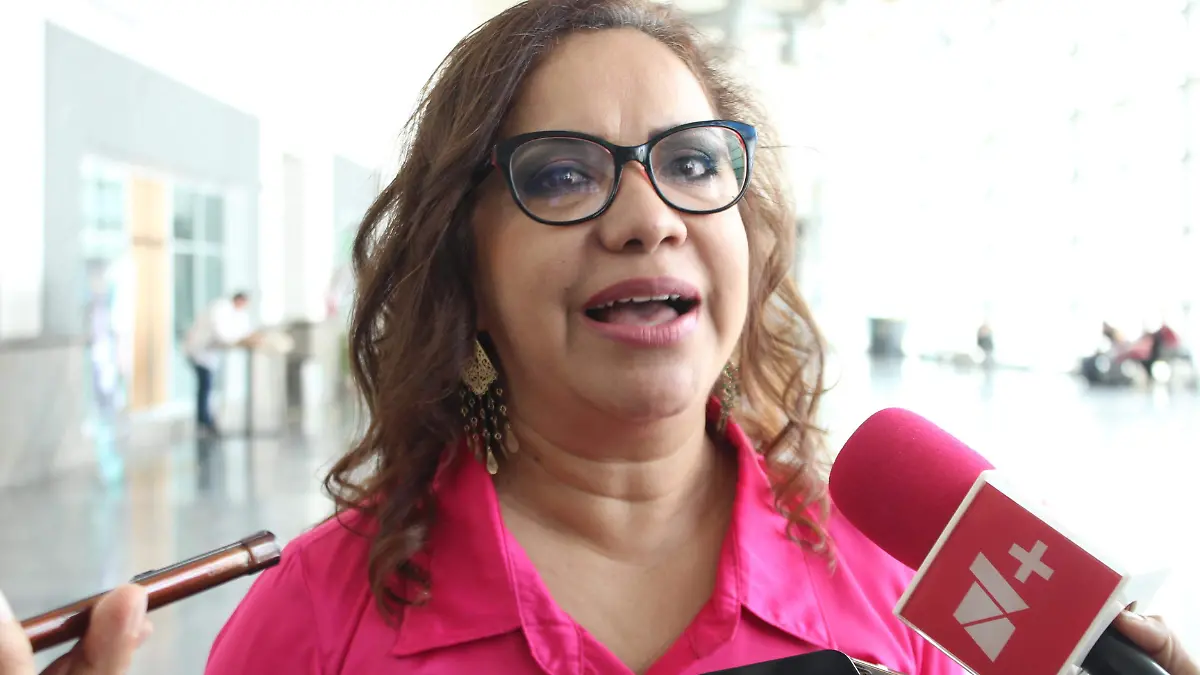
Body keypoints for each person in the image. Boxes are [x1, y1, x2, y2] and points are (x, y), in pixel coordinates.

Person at [0, 2, 1194, 674]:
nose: (647, 217)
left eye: (693, 164)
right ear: (465, 264)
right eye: (563, 174)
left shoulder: (911, 583)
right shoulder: (315, 622)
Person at [183, 291, 255, 436]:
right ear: (239, 300)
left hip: (208, 354)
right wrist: (238, 340)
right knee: (205, 386)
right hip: (199, 351)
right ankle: (204, 421)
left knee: (207, 387)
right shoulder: (221, 308)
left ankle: (207, 420)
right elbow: (221, 333)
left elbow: (241, 330)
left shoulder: (234, 313)